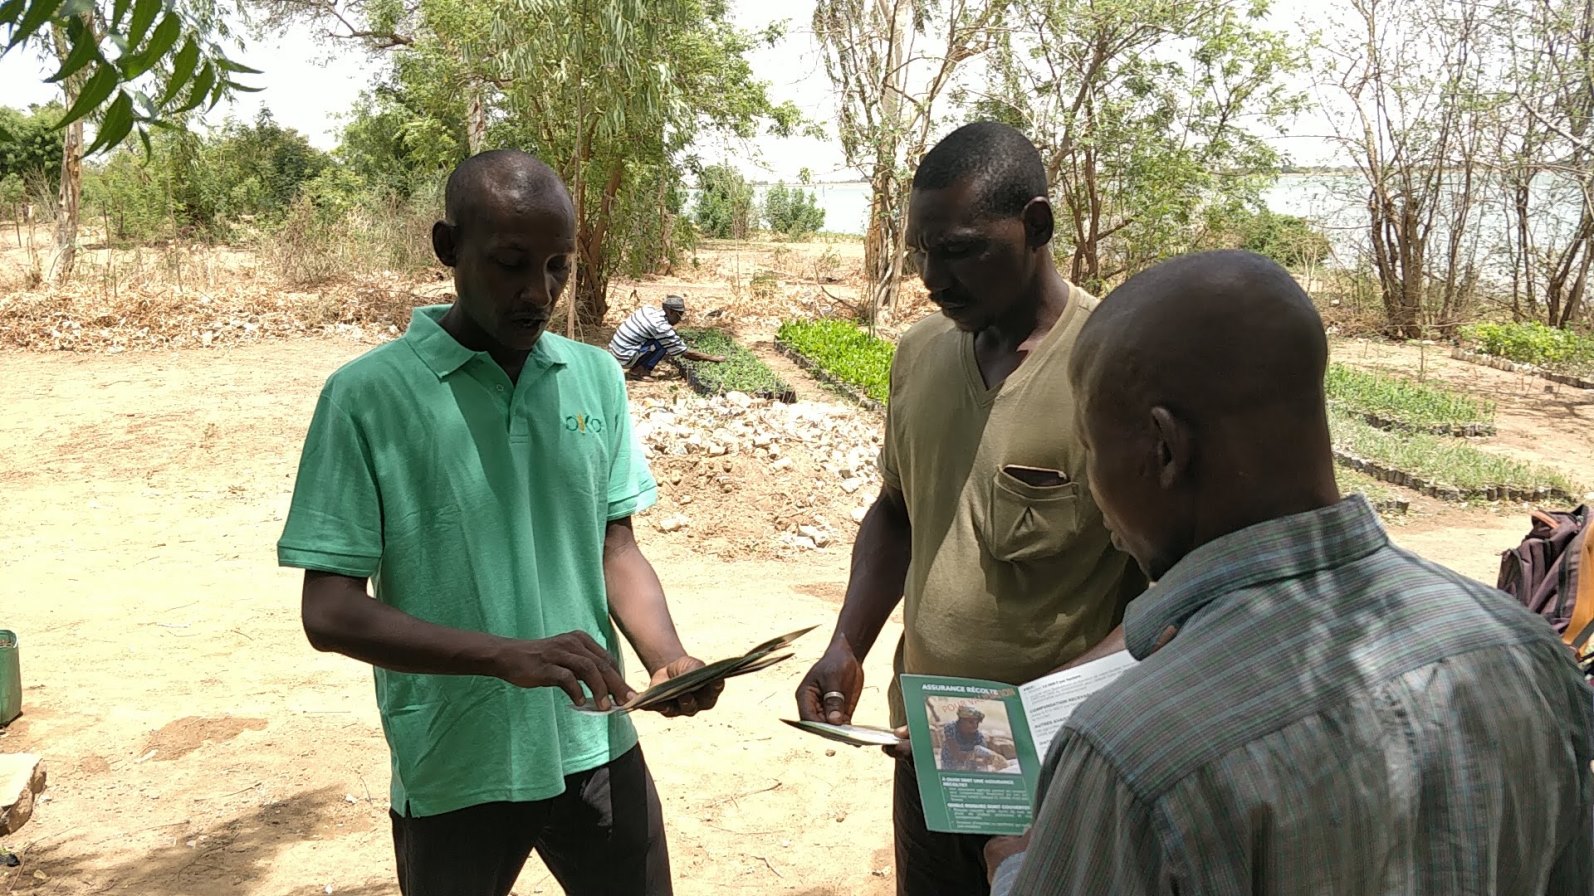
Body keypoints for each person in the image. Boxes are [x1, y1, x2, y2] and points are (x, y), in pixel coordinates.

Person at [985, 250, 1594, 895]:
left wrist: (1018, 866)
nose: (1089, 482)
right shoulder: (1527, 653)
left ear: (1165, 448)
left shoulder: (1130, 757)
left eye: (1091, 446)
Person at [277, 149, 721, 896]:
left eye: (557, 266)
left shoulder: (594, 378)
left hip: (596, 733)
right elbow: (329, 611)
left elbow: (614, 545)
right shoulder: (367, 397)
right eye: (511, 263)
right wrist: (501, 656)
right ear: (448, 248)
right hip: (458, 757)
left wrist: (668, 657)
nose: (537, 292)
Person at [793, 121, 1145, 896]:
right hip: (928, 747)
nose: (932, 278)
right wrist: (848, 642)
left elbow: (1167, 596)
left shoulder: (1112, 367)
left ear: (1039, 227)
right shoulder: (921, 353)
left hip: (1057, 763)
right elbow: (897, 510)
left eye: (957, 250)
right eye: (921, 252)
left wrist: (1039, 714)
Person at [608, 294, 724, 379]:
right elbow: (685, 352)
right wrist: (713, 358)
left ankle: (639, 367)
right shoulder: (661, 327)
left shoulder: (648, 310)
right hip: (624, 357)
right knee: (664, 344)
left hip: (615, 352)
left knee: (663, 340)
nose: (680, 319)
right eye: (679, 315)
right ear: (670, 311)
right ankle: (638, 371)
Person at [938, 705, 989, 772]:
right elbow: (956, 754)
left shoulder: (978, 737)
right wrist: (973, 756)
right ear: (961, 721)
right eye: (971, 722)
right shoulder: (951, 728)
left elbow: (984, 760)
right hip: (950, 764)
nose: (975, 726)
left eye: (977, 723)